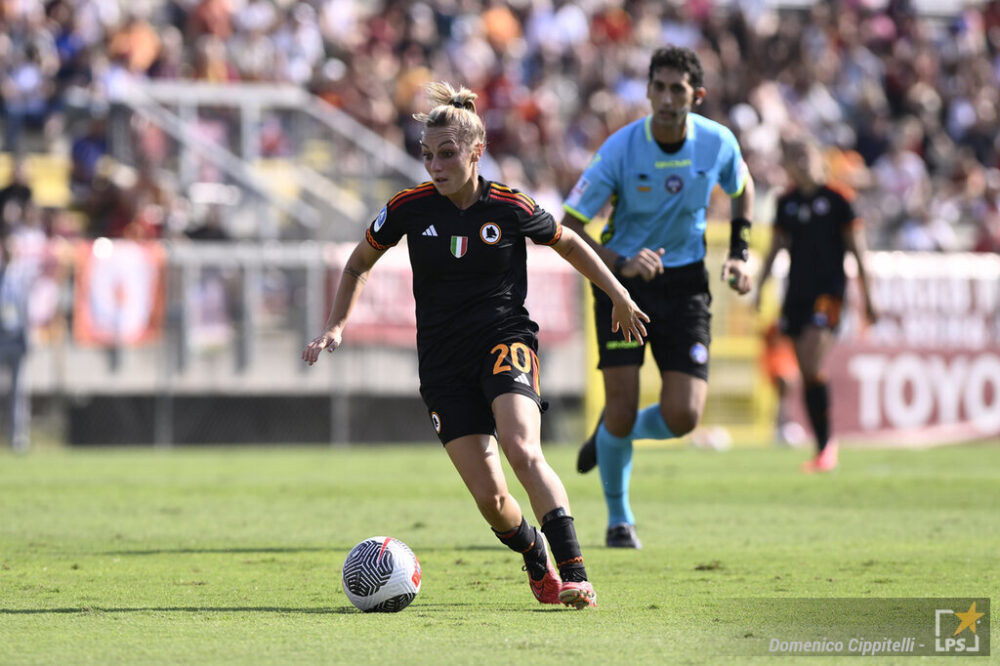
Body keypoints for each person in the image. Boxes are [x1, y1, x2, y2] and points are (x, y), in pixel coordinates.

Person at [302, 81, 649, 609]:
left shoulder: (510, 205)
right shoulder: (407, 208)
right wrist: (336, 324)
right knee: (492, 501)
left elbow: (571, 243)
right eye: (427, 155)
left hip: (504, 341)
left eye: (446, 154)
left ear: (475, 152)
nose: (435, 166)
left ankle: (575, 571)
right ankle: (536, 556)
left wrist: (619, 294)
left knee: (522, 449)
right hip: (442, 365)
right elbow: (357, 264)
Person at [561, 46, 755, 549]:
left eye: (678, 90)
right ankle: (619, 519)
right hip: (621, 285)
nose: (667, 98)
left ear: (697, 96)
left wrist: (739, 252)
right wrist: (621, 264)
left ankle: (610, 436)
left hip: (687, 284)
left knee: (684, 416)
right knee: (623, 408)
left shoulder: (717, 143)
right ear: (647, 91)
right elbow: (568, 228)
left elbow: (743, 187)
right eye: (660, 88)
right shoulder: (620, 149)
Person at [754, 134, 878, 473]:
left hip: (829, 295)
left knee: (810, 359)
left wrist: (869, 299)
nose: (802, 162)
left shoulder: (839, 199)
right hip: (796, 295)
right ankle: (822, 446)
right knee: (807, 369)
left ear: (819, 159)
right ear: (789, 166)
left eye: (806, 155)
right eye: (795, 157)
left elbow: (858, 252)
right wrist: (760, 287)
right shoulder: (786, 202)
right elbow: (776, 248)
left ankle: (826, 446)